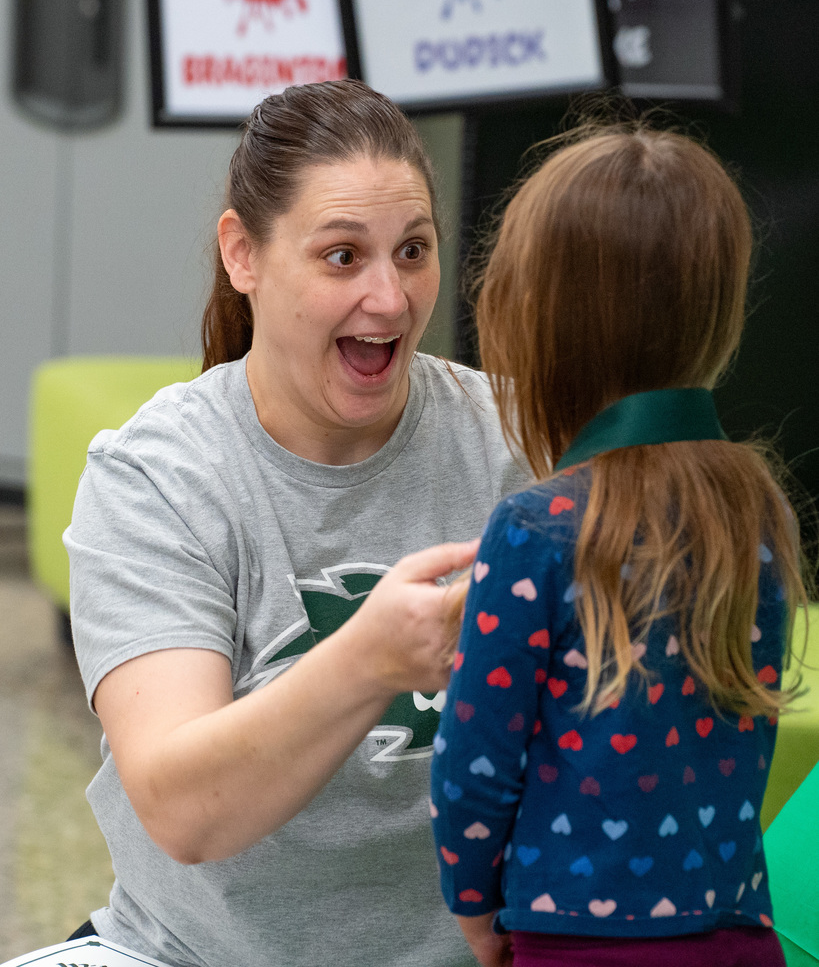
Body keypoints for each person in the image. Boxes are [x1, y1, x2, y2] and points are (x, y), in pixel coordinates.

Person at [64, 79, 529, 967]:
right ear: (243, 255)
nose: (390, 301)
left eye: (413, 250)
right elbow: (182, 809)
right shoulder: (156, 476)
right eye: (342, 256)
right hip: (183, 954)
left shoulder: (517, 443)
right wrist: (369, 657)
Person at [429, 123, 812, 967]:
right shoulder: (758, 514)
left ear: (535, 326)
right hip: (736, 936)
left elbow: (473, 766)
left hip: (570, 944)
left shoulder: (532, 531)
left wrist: (473, 908)